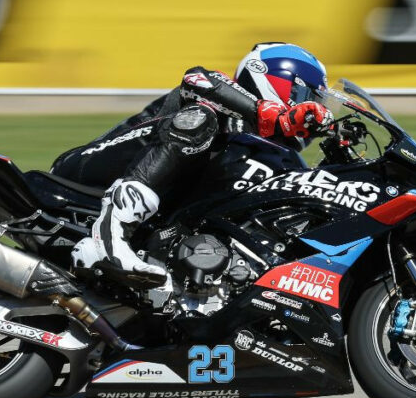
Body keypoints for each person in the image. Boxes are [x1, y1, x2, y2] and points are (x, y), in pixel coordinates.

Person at [52, 42, 335, 286]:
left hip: (156, 223)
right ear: (280, 84)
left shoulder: (264, 150)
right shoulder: (226, 102)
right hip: (83, 174)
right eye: (307, 97)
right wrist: (268, 113)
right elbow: (196, 78)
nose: (311, 111)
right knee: (201, 117)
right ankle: (110, 235)